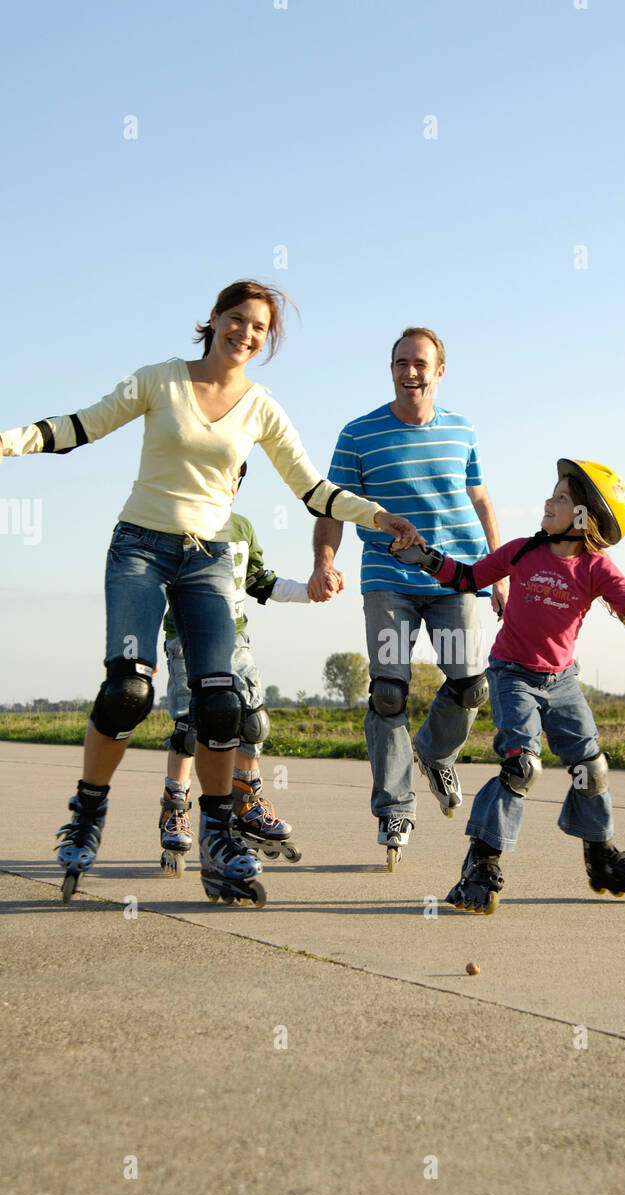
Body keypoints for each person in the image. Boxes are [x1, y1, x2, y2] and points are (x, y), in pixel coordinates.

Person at [0, 280, 419, 907]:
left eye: (259, 328)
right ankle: (87, 813)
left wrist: (375, 515)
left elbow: (312, 488)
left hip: (211, 557)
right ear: (215, 319)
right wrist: (10, 441)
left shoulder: (261, 407)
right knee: (127, 690)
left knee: (222, 704)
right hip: (140, 546)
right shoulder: (159, 379)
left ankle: (220, 837)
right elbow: (81, 427)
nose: (245, 333)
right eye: (237, 318)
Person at [392, 457, 625, 912]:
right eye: (553, 493)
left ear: (584, 517)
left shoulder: (597, 568)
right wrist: (425, 558)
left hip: (561, 682)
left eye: (562, 498)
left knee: (590, 766)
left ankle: (599, 855)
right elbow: (468, 577)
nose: (549, 501)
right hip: (512, 674)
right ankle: (481, 862)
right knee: (522, 765)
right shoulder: (523, 551)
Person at [309, 326, 506, 867]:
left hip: (456, 578)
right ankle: (396, 805)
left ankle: (435, 751)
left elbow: (481, 500)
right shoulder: (358, 433)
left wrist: (498, 573)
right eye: (400, 363)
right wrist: (325, 562)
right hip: (388, 580)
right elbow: (331, 507)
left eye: (420, 363)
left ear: (439, 371)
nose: (410, 372)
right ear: (391, 369)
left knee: (470, 688)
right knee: (388, 693)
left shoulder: (462, 430)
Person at [159, 505, 310, 875]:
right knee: (192, 728)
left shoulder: (242, 525)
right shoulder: (174, 519)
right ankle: (175, 808)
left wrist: (309, 591)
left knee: (253, 723)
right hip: (187, 638)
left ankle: (246, 800)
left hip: (235, 636)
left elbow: (259, 580)